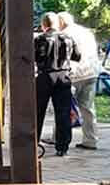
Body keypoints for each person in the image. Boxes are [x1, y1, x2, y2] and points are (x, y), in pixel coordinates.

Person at [34, 12, 80, 157]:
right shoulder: (68, 38)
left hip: (45, 76)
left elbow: (33, 57)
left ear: (44, 25)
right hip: (63, 76)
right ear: (57, 24)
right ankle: (62, 146)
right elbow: (77, 56)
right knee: (63, 112)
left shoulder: (40, 39)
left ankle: (34, 142)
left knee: (38, 111)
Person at [58, 12, 100, 150]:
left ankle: (59, 138)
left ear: (61, 22)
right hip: (91, 73)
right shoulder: (87, 32)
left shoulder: (64, 34)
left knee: (63, 107)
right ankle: (91, 140)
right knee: (88, 108)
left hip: (73, 75)